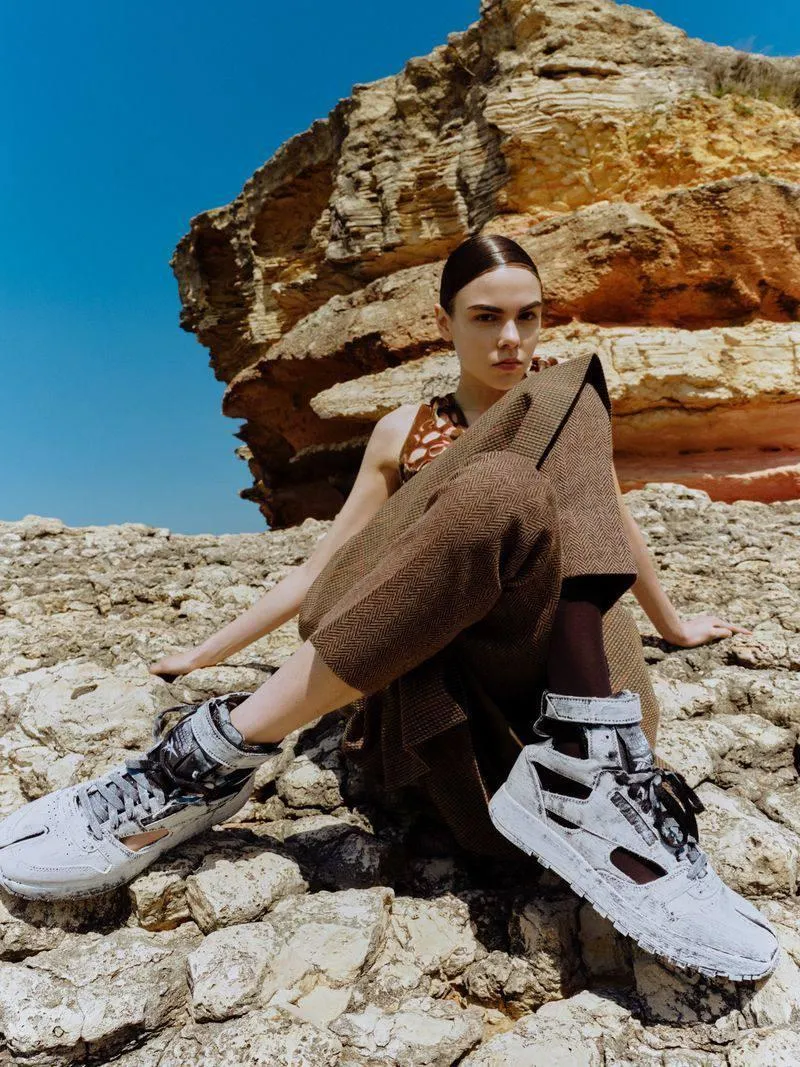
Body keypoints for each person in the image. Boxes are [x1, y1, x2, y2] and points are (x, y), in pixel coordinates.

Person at [0, 236, 778, 982]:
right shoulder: (404, 430)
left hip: (518, 741)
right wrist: (207, 650)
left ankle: (594, 766)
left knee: (555, 419)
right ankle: (204, 763)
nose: (512, 338)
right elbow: (326, 567)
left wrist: (673, 626)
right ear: (444, 324)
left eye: (529, 316)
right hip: (427, 693)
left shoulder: (566, 412)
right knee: (507, 470)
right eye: (486, 317)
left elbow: (614, 536)